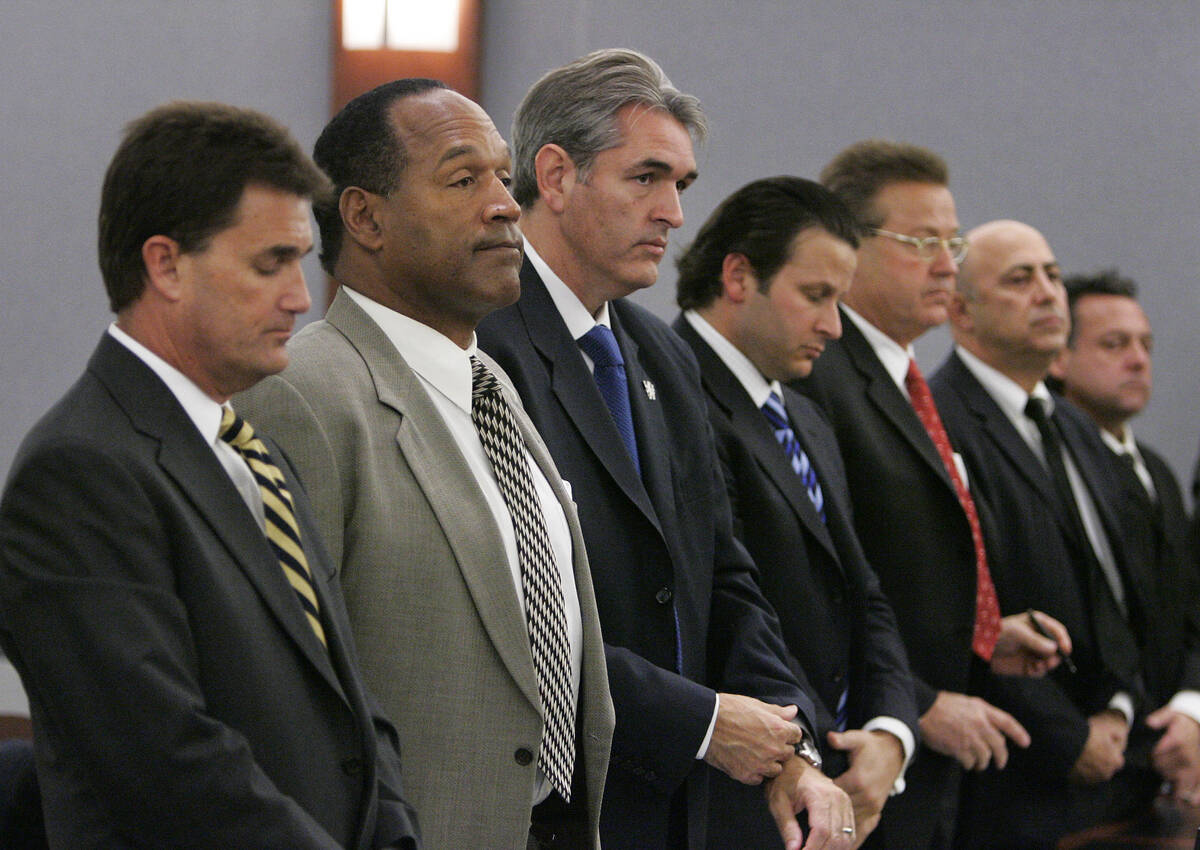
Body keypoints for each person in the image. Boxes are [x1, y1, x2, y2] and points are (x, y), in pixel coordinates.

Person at [0, 101, 419, 849]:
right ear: (164, 264)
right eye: (271, 263)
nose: (299, 296)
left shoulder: (255, 452)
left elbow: (352, 707)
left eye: (301, 259)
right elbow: (163, 763)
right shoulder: (78, 473)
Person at [477, 49, 854, 850]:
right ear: (554, 175)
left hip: (681, 810)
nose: (675, 214)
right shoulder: (483, 350)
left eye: (680, 185)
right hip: (551, 810)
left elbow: (724, 574)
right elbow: (501, 611)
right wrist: (703, 721)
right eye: (646, 178)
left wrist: (790, 751)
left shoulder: (664, 355)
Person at [234, 79, 613, 850]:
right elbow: (280, 701)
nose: (506, 204)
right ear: (365, 217)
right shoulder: (301, 396)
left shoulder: (490, 381)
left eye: (504, 178)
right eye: (464, 178)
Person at [793, 141, 1066, 848]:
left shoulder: (905, 376)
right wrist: (918, 703)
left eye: (953, 241)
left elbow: (902, 557)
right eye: (922, 242)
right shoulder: (816, 375)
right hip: (854, 757)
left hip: (933, 774)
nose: (948, 264)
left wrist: (981, 635)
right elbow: (805, 587)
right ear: (846, 245)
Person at [670, 175, 919, 847]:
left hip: (829, 780)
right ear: (739, 276)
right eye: (816, 296)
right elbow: (733, 599)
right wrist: (804, 746)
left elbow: (864, 592)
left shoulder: (803, 413)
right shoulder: (667, 392)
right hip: (739, 789)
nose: (834, 327)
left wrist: (892, 734)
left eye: (839, 301)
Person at [930, 220, 1147, 848]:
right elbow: (964, 603)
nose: (1049, 293)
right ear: (961, 312)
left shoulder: (1074, 426)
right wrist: (1067, 737)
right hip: (1006, 779)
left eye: (1052, 275)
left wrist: (1117, 711)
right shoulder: (941, 420)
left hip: (1110, 769)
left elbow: (1112, 583)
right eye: (1020, 279)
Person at [1048, 269, 1200, 803]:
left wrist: (1189, 706)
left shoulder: (1156, 472)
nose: (1138, 359)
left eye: (1146, 345)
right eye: (1114, 344)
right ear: (1058, 358)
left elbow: (1187, 609)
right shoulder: (1050, 473)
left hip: (1165, 756)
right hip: (1082, 759)